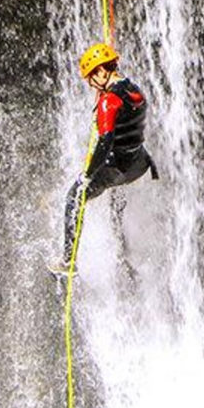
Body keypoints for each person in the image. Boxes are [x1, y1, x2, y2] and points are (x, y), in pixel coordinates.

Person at [54, 41, 158, 274]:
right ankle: (123, 251)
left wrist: (87, 175)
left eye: (92, 78)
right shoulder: (134, 90)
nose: (91, 85)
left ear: (101, 72)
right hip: (139, 165)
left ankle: (68, 262)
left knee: (75, 196)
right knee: (115, 193)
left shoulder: (108, 102)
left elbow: (105, 141)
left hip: (118, 167)